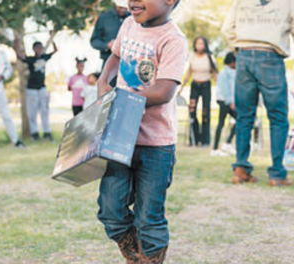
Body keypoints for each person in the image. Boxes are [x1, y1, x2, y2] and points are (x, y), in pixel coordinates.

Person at [96, 0, 187, 263]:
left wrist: (117, 98)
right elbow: (116, 55)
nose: (132, 1)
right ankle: (135, 255)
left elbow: (163, 92)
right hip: (120, 136)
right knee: (111, 211)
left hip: (156, 143)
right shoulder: (128, 25)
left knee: (149, 218)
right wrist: (104, 80)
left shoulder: (173, 40)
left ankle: (149, 258)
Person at [222, 0, 294, 187]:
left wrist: (240, 48)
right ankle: (277, 174)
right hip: (271, 57)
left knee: (244, 117)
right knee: (278, 118)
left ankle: (240, 169)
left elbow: (226, 29)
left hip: (244, 57)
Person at [178, 36, 218, 147]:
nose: (199, 46)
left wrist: (219, 88)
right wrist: (181, 88)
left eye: (201, 43)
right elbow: (189, 73)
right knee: (192, 112)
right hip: (195, 85)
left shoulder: (209, 57)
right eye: (197, 43)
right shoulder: (192, 56)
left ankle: (205, 140)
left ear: (205, 45)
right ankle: (194, 139)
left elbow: (214, 73)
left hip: (206, 86)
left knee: (206, 113)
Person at [16, 41, 58, 141]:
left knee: (45, 111)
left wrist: (52, 40)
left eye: (41, 48)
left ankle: (47, 132)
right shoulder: (31, 59)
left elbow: (55, 50)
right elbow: (20, 56)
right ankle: (34, 133)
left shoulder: (44, 57)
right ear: (34, 49)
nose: (40, 50)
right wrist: (17, 46)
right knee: (32, 112)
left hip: (42, 87)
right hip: (31, 88)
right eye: (38, 48)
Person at [90, 0, 130, 87]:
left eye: (125, 8)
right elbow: (94, 41)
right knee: (107, 93)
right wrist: (107, 45)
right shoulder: (104, 18)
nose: (123, 10)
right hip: (109, 62)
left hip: (130, 64)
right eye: (121, 7)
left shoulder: (133, 18)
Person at [211, 52, 237, 157]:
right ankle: (215, 148)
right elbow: (226, 89)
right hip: (224, 101)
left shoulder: (230, 72)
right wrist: (230, 102)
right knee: (221, 123)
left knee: (239, 120)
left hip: (225, 100)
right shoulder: (225, 73)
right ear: (231, 62)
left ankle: (227, 143)